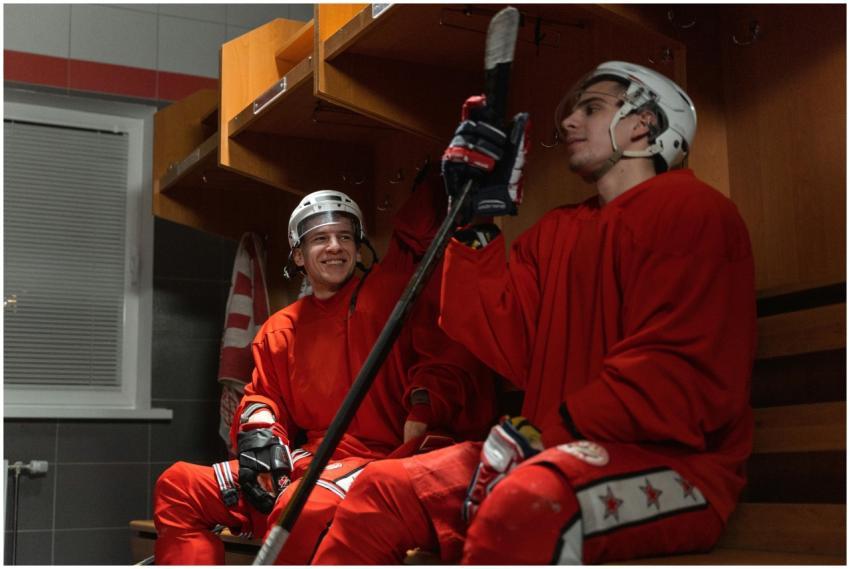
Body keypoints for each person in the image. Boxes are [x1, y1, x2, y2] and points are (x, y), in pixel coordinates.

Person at [311, 60, 756, 564]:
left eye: (591, 108)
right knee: (384, 489)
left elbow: (674, 376)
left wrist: (545, 439)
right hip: (551, 450)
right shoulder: (561, 230)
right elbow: (503, 338)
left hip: (676, 467)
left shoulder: (693, 212)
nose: (567, 122)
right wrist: (474, 222)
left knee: (525, 506)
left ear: (644, 123)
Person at [153, 179, 497, 564]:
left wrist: (424, 406)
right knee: (179, 485)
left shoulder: (394, 297)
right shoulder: (279, 330)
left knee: (301, 507)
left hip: (378, 464)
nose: (335, 247)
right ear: (298, 256)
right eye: (320, 239)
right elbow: (263, 397)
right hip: (304, 462)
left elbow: (444, 355)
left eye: (344, 237)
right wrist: (260, 440)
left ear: (358, 246)